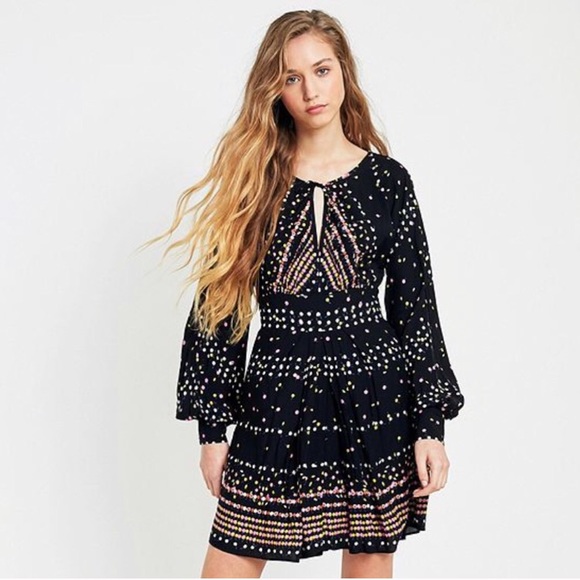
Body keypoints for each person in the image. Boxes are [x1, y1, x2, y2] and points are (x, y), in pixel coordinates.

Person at [146, 9, 465, 579]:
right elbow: (219, 310)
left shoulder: (389, 183)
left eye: (321, 70)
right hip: (275, 390)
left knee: (369, 557)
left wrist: (429, 428)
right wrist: (213, 432)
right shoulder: (253, 181)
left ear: (344, 71)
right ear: (275, 89)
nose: (310, 90)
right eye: (292, 77)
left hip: (373, 392)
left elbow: (415, 310)